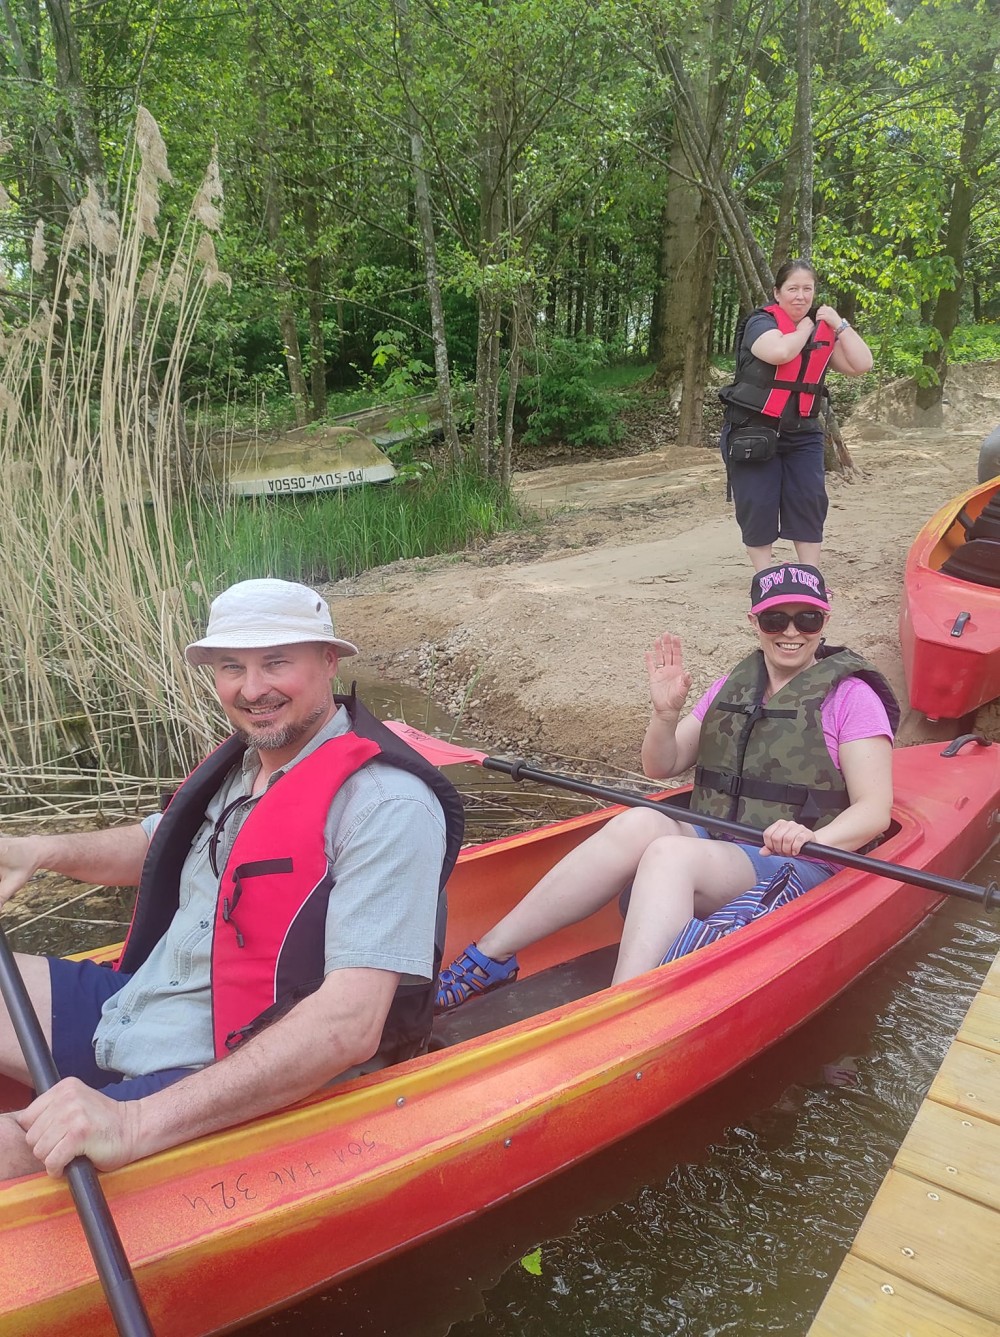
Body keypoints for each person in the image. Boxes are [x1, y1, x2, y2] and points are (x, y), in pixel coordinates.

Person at [0, 578, 464, 1180]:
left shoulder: (388, 805)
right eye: (231, 667)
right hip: (144, 1009)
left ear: (329, 660)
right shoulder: (249, 763)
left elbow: (349, 1025)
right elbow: (155, 846)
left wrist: (132, 1123)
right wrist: (40, 851)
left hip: (228, 1060)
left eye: (276, 662)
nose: (251, 689)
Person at [435, 562, 897, 1009]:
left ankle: (619, 1010)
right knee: (638, 822)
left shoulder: (852, 699)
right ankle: (489, 958)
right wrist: (665, 715)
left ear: (824, 621)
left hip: (799, 860)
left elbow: (874, 810)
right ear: (754, 621)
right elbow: (663, 764)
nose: (791, 632)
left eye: (807, 619)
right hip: (724, 840)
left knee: (670, 855)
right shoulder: (733, 687)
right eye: (775, 619)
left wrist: (812, 838)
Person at [720, 259, 874, 572]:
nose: (801, 296)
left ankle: (810, 574)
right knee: (758, 503)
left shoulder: (822, 331)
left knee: (809, 501)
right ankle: (765, 577)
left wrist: (840, 324)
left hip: (803, 432)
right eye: (792, 289)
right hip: (754, 430)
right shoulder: (760, 323)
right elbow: (780, 353)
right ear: (777, 293)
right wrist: (805, 327)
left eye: (808, 289)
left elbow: (862, 364)